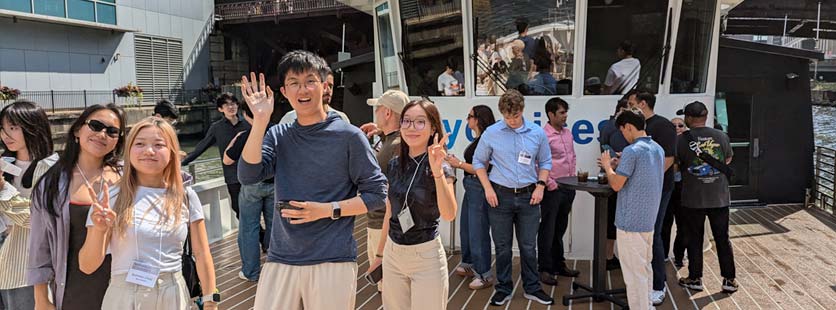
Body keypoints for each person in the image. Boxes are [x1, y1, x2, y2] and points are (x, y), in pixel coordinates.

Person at [237, 51, 387, 310]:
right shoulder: (278, 133)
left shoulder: (349, 136)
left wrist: (327, 210)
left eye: (310, 81)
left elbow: (377, 194)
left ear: (324, 85)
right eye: (294, 82)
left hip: (333, 259)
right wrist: (260, 121)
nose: (302, 89)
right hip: (281, 257)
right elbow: (248, 174)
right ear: (284, 91)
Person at [79, 117, 218, 310]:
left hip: (174, 293)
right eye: (140, 144)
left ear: (171, 152)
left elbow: (202, 253)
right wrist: (99, 231)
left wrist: (212, 300)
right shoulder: (110, 198)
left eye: (159, 144)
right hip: (125, 296)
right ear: (129, 151)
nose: (149, 151)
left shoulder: (185, 196)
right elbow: (87, 266)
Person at [27, 104, 126, 310]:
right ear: (77, 130)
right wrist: (41, 299)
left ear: (118, 140)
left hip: (124, 285)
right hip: (74, 286)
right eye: (96, 126)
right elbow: (39, 245)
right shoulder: (51, 183)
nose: (102, 134)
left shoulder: (127, 178)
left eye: (112, 131)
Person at [367, 99, 458, 310]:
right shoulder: (394, 164)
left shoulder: (441, 166)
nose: (411, 128)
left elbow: (449, 213)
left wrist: (437, 172)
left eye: (419, 122)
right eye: (406, 121)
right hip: (393, 253)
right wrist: (380, 255)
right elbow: (390, 212)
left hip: (426, 257)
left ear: (433, 127)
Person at [473, 89, 554, 306]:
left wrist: (541, 186)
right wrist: (488, 189)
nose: (511, 121)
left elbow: (546, 162)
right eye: (507, 117)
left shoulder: (537, 133)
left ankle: (532, 287)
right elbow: (478, 162)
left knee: (528, 246)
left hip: (530, 196)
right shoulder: (491, 132)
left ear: (522, 110)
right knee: (502, 246)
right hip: (499, 197)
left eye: (515, 117)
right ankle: (504, 288)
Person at [597, 108, 664, 310]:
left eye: (623, 132)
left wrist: (608, 165)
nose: (623, 137)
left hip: (630, 222)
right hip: (648, 219)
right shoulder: (657, 148)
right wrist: (620, 163)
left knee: (633, 276)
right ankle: (647, 306)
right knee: (644, 269)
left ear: (628, 127)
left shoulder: (631, 151)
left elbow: (616, 184)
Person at [675, 101, 738, 293]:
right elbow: (727, 159)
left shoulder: (681, 140)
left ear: (689, 118)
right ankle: (729, 280)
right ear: (705, 116)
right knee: (722, 238)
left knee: (694, 238)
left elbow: (677, 165)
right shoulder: (721, 136)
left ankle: (695, 278)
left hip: (693, 198)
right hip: (719, 197)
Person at [0, 101, 57, 310]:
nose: (6, 135)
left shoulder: (52, 168)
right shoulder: (5, 163)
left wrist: (3, 188)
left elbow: (36, 219)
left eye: (13, 128)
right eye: (3, 129)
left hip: (24, 268)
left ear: (33, 127)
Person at [626, 89, 677, 305]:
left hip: (659, 189)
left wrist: (647, 180)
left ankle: (658, 285)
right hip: (641, 190)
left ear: (643, 103)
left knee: (652, 234)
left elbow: (668, 159)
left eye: (631, 103)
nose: (629, 107)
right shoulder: (640, 128)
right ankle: (644, 281)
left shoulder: (663, 125)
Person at [359, 89, 408, 293]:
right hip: (386, 223)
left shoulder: (394, 146)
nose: (375, 114)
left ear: (387, 113)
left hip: (383, 225)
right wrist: (381, 132)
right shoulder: (398, 142)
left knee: (389, 289)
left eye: (377, 109)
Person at [445, 105, 497, 290]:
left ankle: (484, 274)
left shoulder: (487, 139)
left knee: (478, 230)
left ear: (478, 119)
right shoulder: (481, 139)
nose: (467, 120)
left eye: (470, 116)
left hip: (479, 187)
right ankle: (469, 263)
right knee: (466, 228)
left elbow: (482, 167)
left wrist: (458, 164)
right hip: (472, 186)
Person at [223, 101, 275, 282]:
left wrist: (233, 141)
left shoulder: (246, 136)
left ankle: (251, 272)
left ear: (246, 114)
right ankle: (275, 268)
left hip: (251, 186)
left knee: (249, 228)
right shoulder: (278, 132)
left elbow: (227, 160)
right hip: (276, 185)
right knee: (274, 226)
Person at [182, 93, 251, 219]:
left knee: (255, 208)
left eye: (233, 103)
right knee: (238, 208)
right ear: (220, 109)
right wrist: (183, 162)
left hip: (252, 173)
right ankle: (257, 236)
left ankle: (259, 236)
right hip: (232, 175)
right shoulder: (217, 128)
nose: (231, 107)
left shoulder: (248, 124)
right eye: (226, 104)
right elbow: (202, 146)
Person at [537, 97, 580, 287]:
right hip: (552, 190)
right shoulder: (542, 136)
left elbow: (571, 157)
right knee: (548, 229)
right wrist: (549, 183)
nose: (565, 116)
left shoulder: (568, 133)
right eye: (561, 113)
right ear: (551, 114)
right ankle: (544, 269)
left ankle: (558, 264)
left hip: (569, 188)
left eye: (566, 112)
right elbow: (536, 162)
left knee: (560, 228)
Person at [598, 96, 630, 270]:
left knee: (612, 220)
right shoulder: (612, 128)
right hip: (617, 180)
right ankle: (609, 257)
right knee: (612, 220)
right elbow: (607, 153)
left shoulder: (608, 126)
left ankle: (610, 256)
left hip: (617, 178)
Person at [662, 117, 688, 268]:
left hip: (683, 188)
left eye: (681, 125)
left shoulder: (690, 145)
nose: (677, 128)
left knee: (683, 224)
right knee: (665, 223)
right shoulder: (664, 144)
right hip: (667, 187)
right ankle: (663, 255)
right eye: (674, 125)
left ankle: (679, 256)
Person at [278, 72, 351, 125]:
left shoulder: (341, 118)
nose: (328, 90)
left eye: (331, 86)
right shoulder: (289, 118)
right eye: (324, 86)